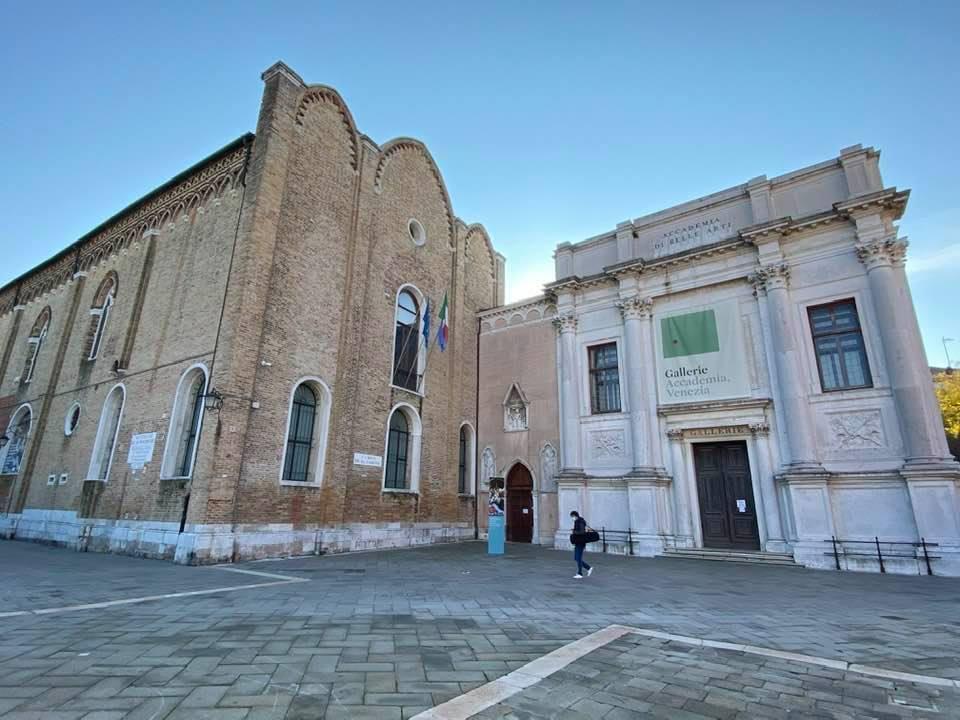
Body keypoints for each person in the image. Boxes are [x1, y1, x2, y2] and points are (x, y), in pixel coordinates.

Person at [570, 510, 594, 579]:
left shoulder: (579, 521)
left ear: (575, 516)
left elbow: (581, 532)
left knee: (578, 558)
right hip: (579, 542)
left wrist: (574, 531)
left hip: (580, 542)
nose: (572, 518)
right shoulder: (579, 521)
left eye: (572, 517)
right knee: (576, 558)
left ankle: (580, 573)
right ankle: (588, 568)